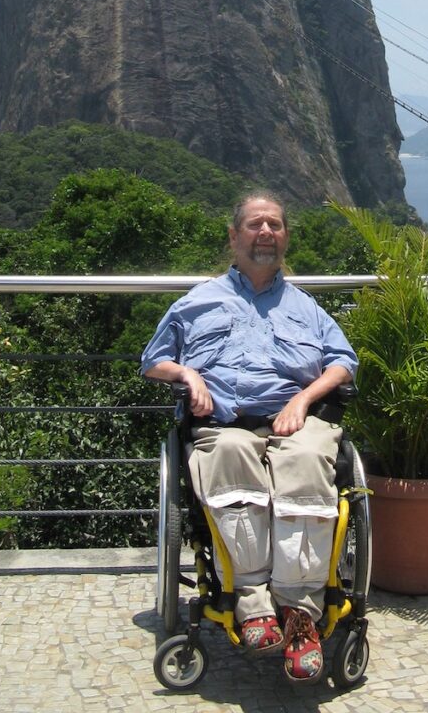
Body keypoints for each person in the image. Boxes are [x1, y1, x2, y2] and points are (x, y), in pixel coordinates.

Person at [141, 194, 358, 684]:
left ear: (284, 238)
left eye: (275, 225)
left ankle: (299, 612)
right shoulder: (196, 301)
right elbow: (153, 360)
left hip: (295, 420)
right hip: (224, 422)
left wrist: (302, 401)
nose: (266, 232)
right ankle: (253, 602)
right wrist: (188, 376)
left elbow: (344, 362)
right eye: (255, 225)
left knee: (305, 462)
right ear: (234, 237)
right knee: (234, 454)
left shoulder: (307, 307)